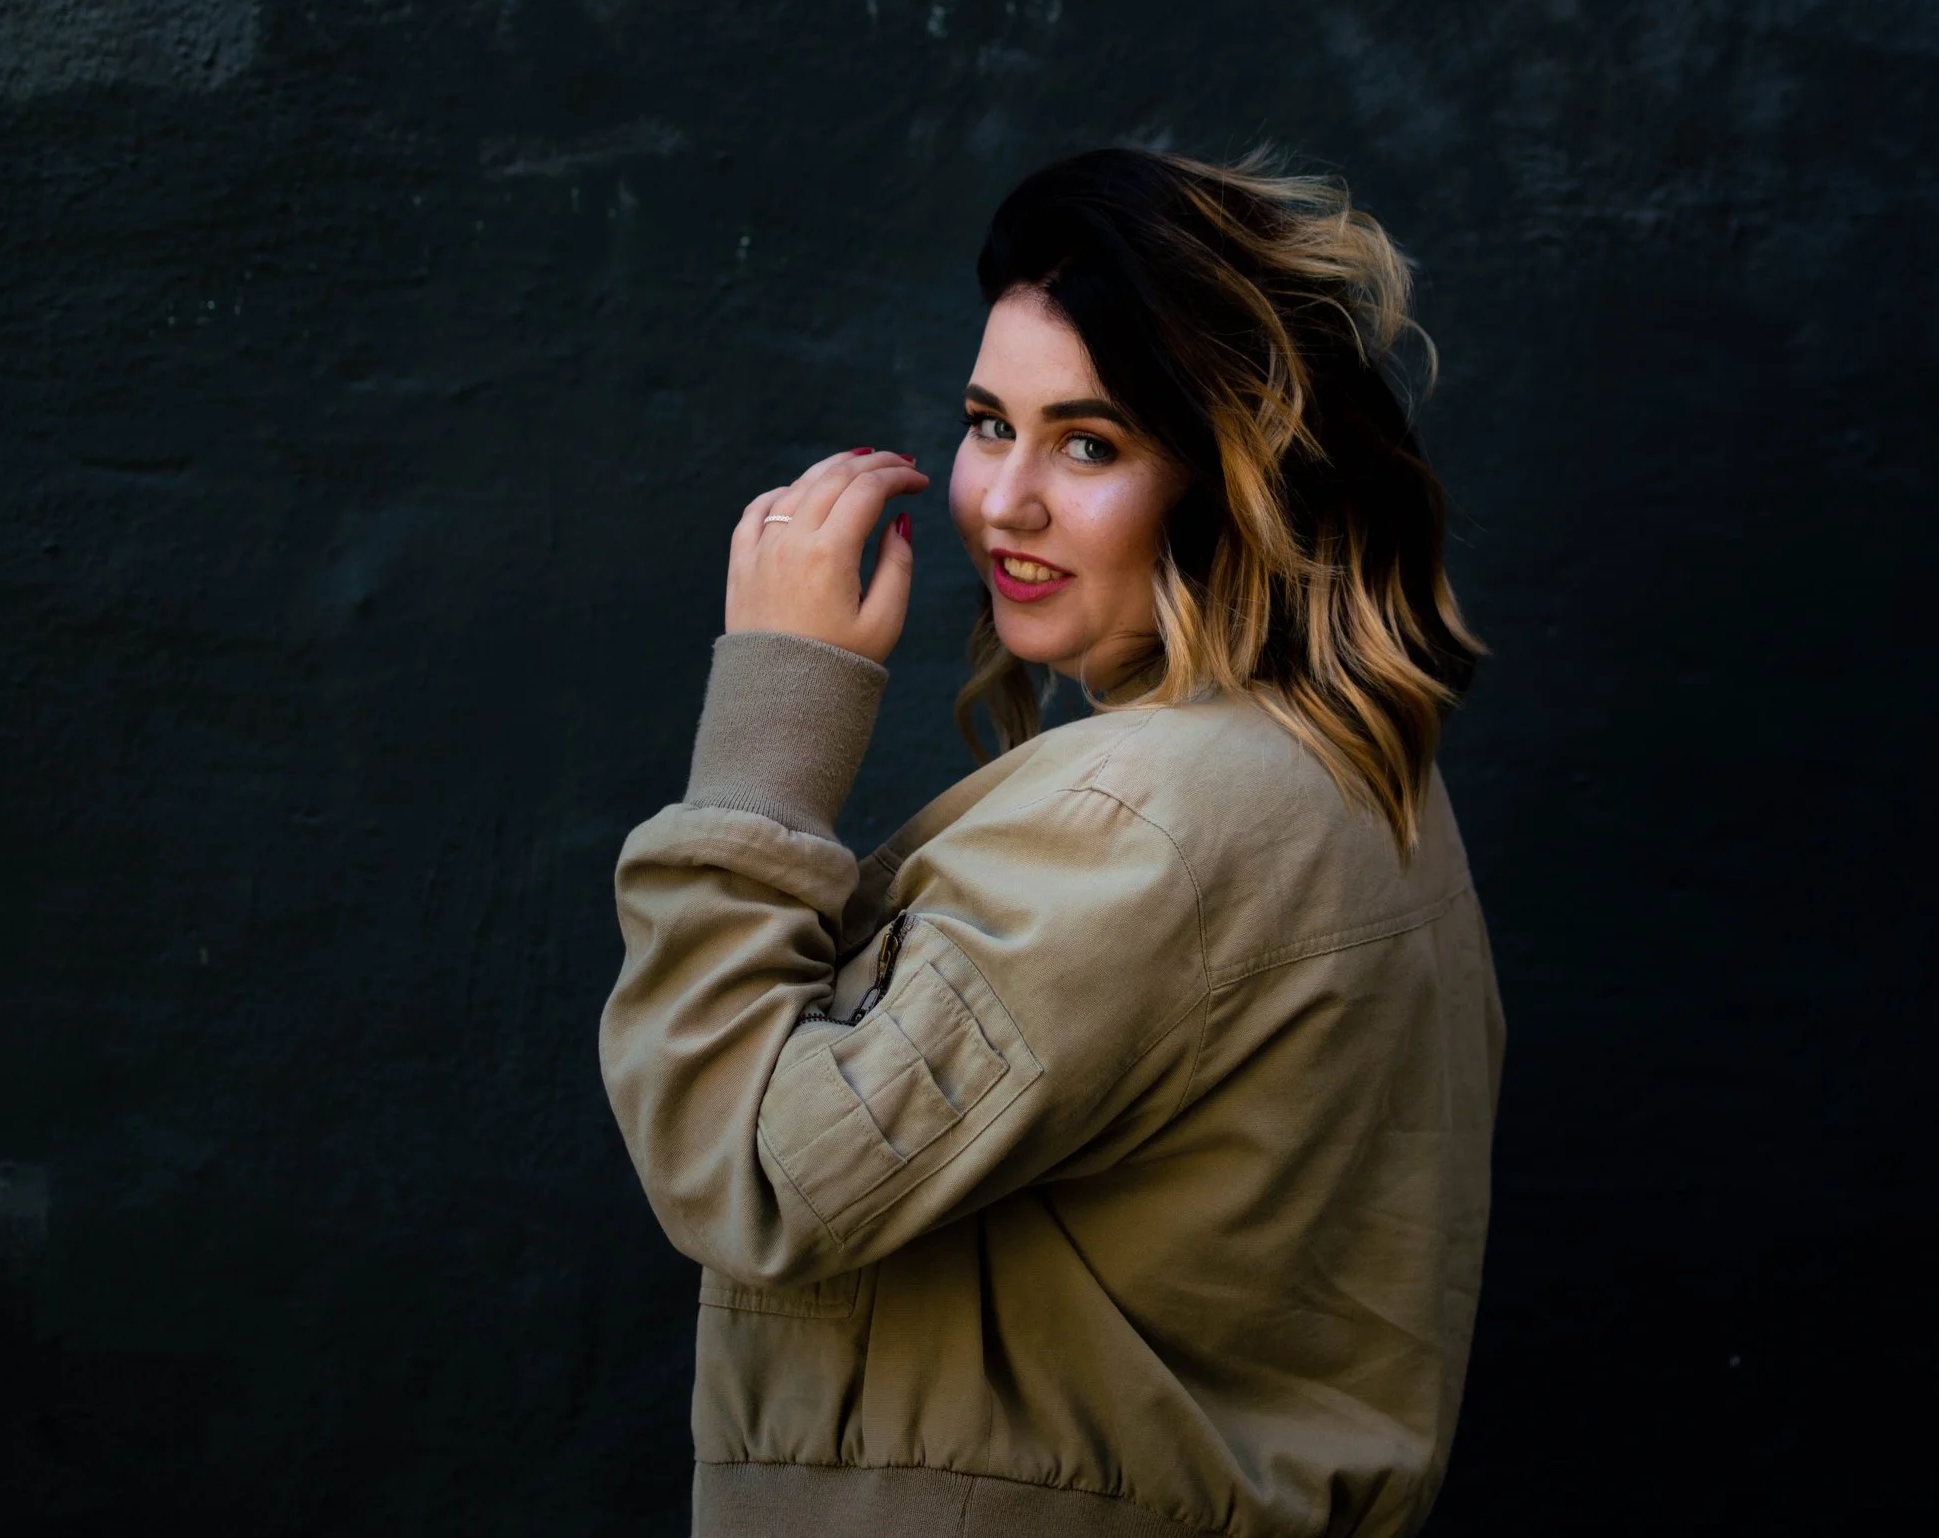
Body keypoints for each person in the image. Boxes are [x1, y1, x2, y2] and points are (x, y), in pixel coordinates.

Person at [600, 148, 1503, 1538]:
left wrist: (771, 721)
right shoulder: (1351, 772)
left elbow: (755, 1172)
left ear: (1231, 473)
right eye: (987, 423)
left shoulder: (1149, 822)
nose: (1006, 501)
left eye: (1090, 444)